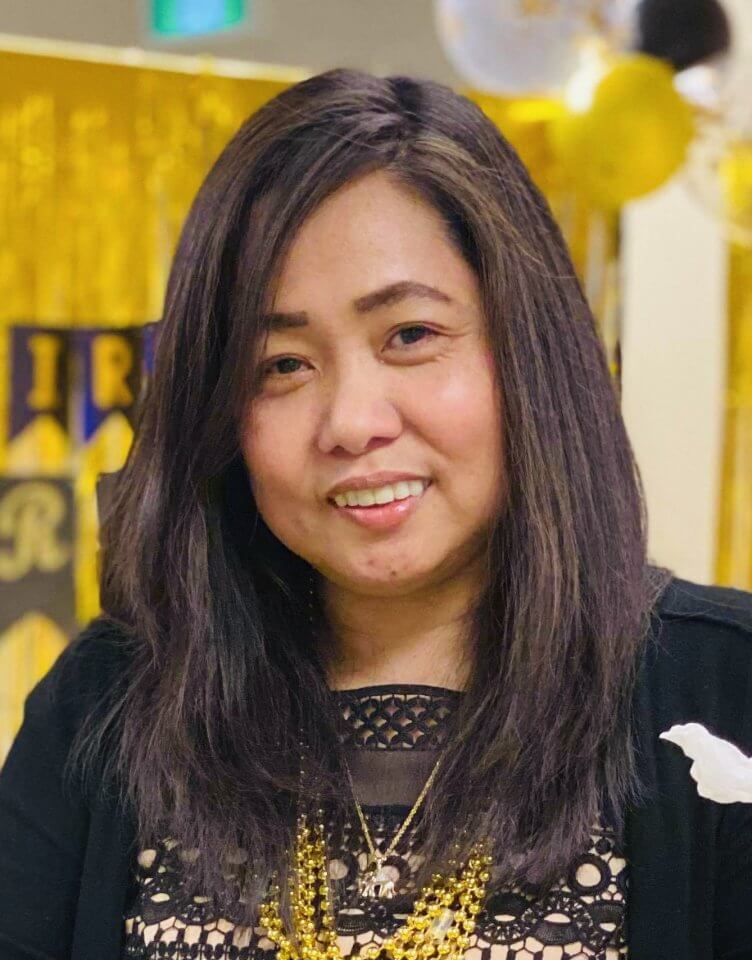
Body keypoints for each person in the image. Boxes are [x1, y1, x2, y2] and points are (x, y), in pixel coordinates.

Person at [0, 67, 750, 960]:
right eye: (281, 364)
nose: (353, 423)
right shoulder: (106, 705)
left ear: (528, 352)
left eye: (410, 336)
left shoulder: (726, 691)